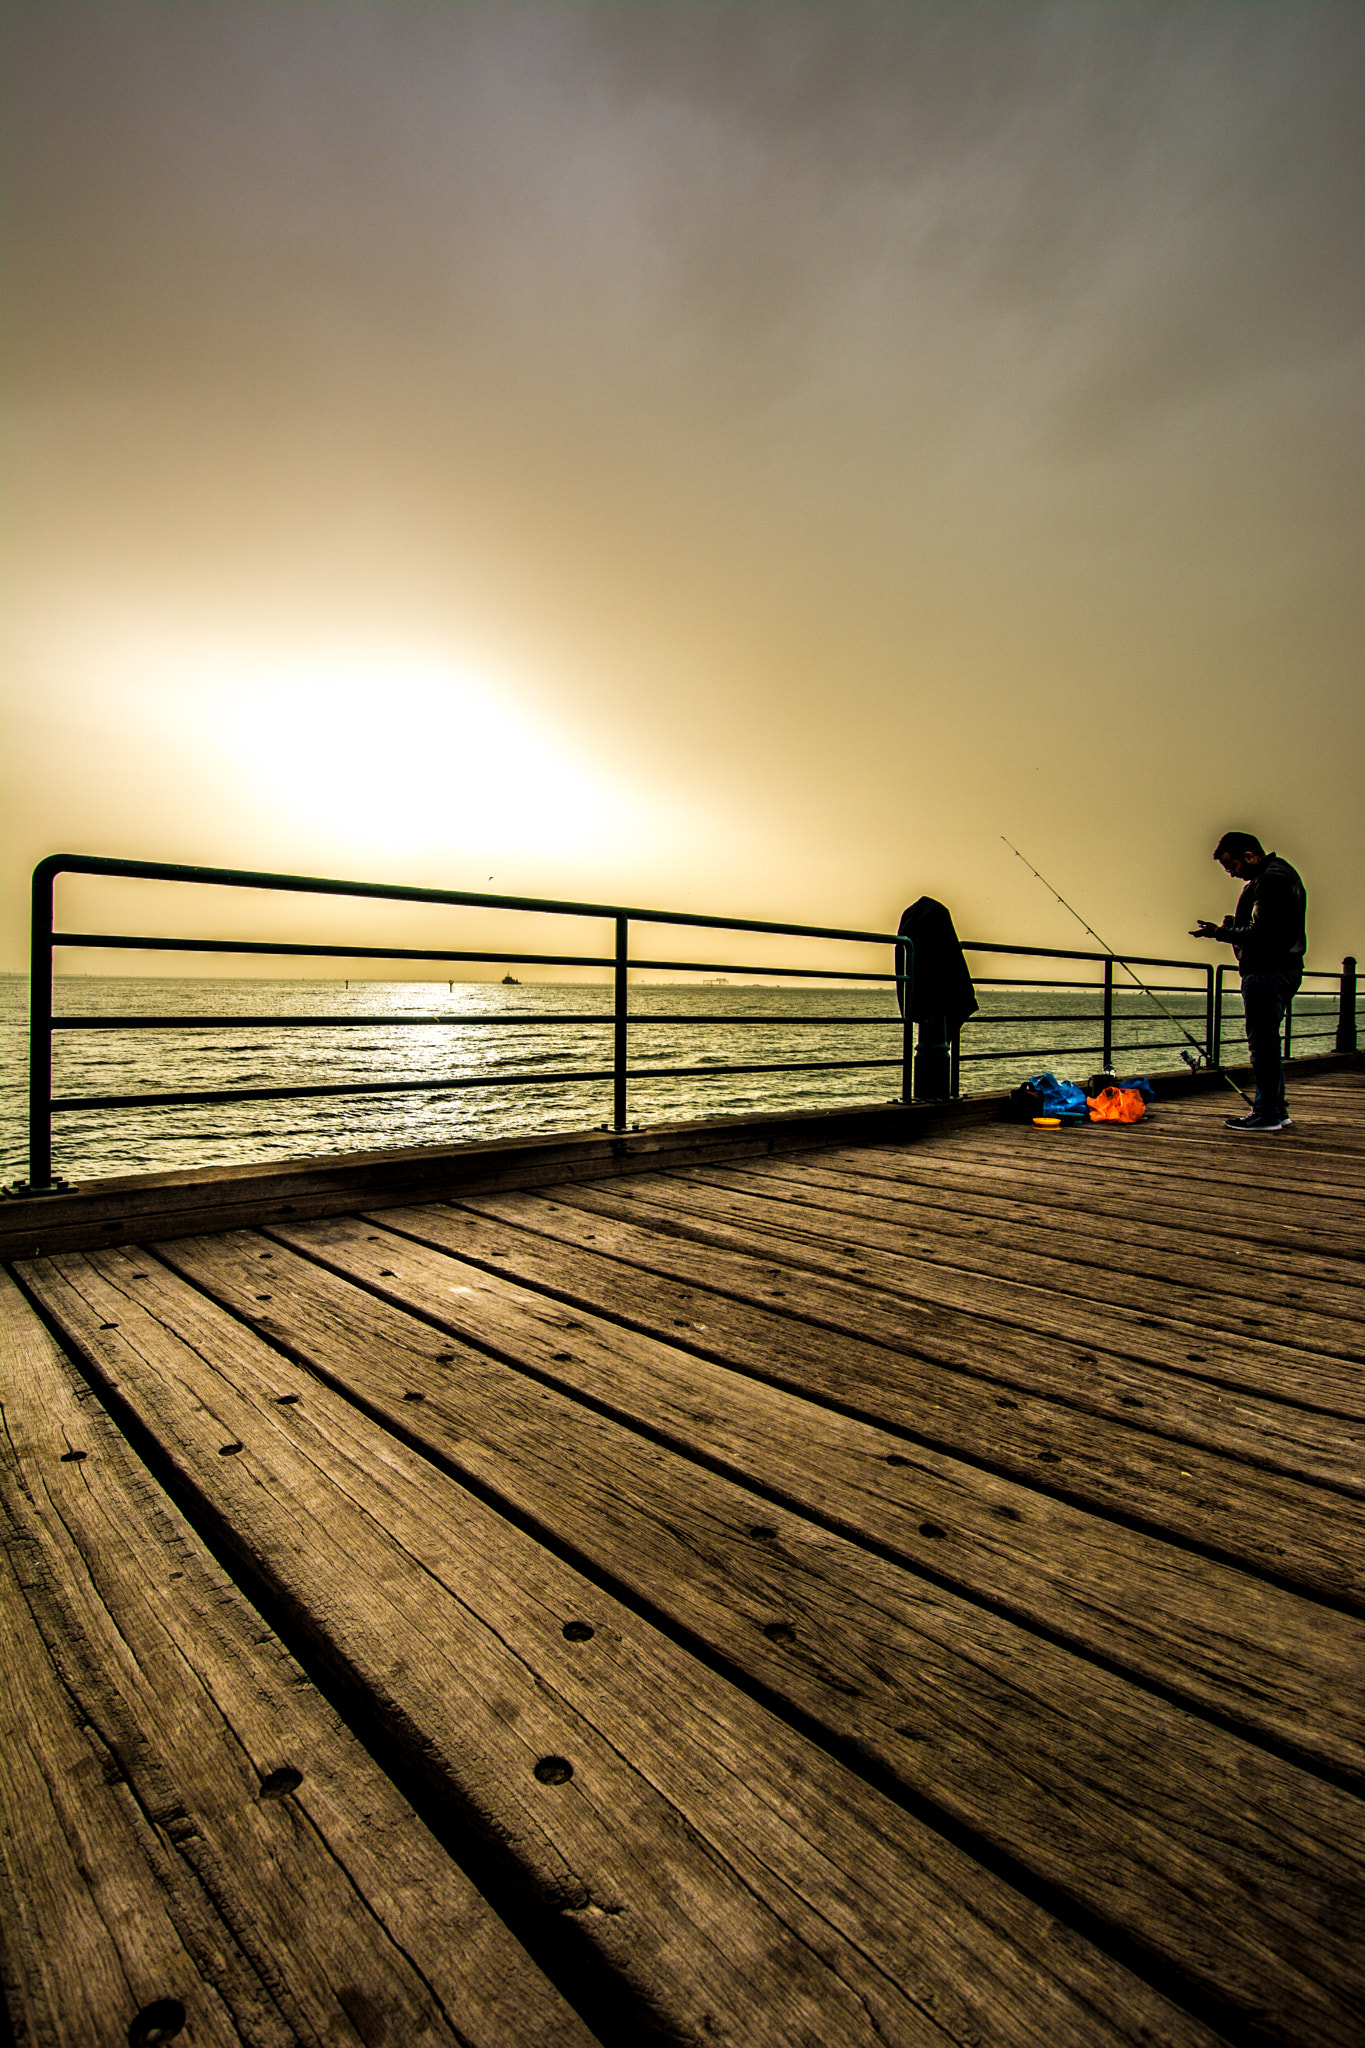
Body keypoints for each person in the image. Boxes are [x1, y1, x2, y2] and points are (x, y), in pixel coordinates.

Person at [1190, 831, 1307, 1133]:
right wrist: (1235, 926)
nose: (1231, 874)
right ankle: (1276, 1110)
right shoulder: (1283, 874)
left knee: (1263, 1046)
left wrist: (1221, 932)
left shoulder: (1270, 880)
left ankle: (1267, 1113)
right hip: (1283, 968)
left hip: (1268, 971)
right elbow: (1269, 926)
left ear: (1250, 856)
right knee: (1268, 1043)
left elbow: (1263, 932)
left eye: (1233, 867)